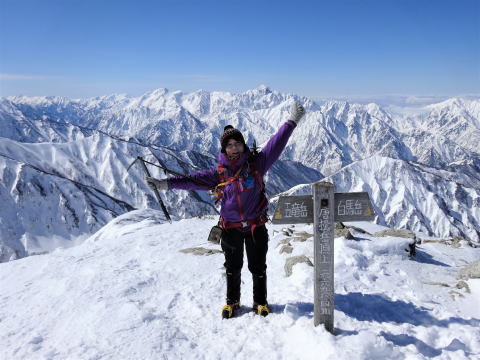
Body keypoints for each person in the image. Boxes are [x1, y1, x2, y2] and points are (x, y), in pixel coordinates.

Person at [146, 102, 306, 318]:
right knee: (233, 267)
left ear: (243, 145)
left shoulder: (256, 165)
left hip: (255, 225)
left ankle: (260, 302)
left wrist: (291, 122)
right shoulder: (218, 175)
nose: (234, 147)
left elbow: (275, 145)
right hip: (229, 228)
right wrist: (166, 184)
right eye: (229, 145)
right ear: (224, 149)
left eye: (237, 143)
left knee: (258, 267)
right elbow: (191, 180)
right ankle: (233, 302)